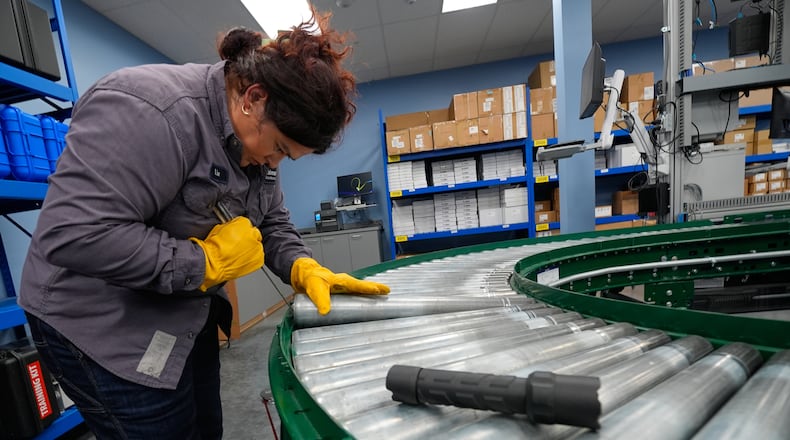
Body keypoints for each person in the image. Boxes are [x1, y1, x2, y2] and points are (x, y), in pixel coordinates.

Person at [18, 9, 389, 439]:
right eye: (280, 151)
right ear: (253, 97)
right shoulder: (148, 110)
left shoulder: (257, 134)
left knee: (205, 428)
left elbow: (270, 220)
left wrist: (302, 267)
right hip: (98, 322)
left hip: (180, 312)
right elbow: (75, 233)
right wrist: (205, 262)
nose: (274, 163)